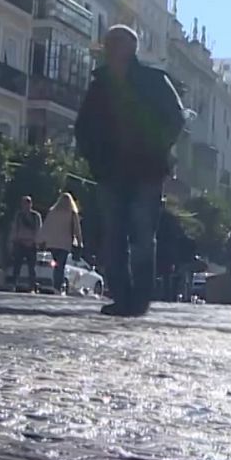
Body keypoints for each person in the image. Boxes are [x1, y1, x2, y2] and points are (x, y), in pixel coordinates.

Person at [75, 25, 187, 317]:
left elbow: (176, 117)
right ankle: (121, 296)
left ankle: (138, 300)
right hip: (111, 171)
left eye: (116, 43)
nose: (110, 48)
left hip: (146, 170)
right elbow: (84, 125)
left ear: (131, 48)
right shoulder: (100, 85)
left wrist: (155, 148)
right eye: (108, 43)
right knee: (113, 235)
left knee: (140, 236)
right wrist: (94, 159)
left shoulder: (153, 80)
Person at [38, 192, 81, 294]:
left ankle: (56, 285)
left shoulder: (53, 212)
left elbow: (46, 227)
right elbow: (77, 229)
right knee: (60, 265)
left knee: (57, 265)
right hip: (65, 244)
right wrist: (80, 242)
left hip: (53, 243)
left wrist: (41, 240)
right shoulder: (72, 213)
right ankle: (57, 286)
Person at [9, 195, 43, 292]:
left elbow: (38, 230)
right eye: (24, 203)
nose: (26, 206)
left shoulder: (36, 216)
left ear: (31, 204)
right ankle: (13, 284)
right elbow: (15, 228)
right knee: (17, 265)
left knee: (31, 267)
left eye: (28, 203)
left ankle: (32, 286)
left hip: (31, 244)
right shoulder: (19, 216)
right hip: (20, 243)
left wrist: (35, 241)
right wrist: (14, 240)